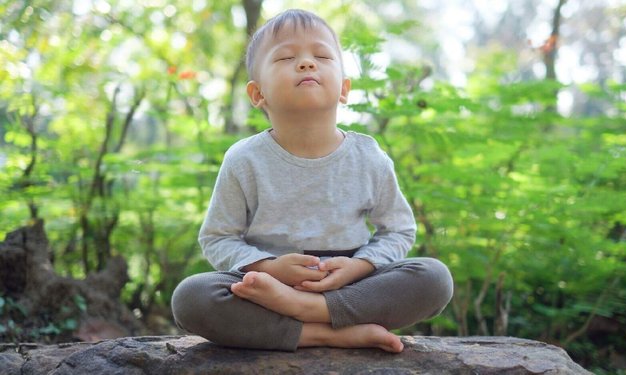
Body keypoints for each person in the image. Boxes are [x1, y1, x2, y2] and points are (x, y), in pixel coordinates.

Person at [171, 9, 453, 353]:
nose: (306, 64)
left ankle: (309, 313)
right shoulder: (244, 159)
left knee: (434, 278)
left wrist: (358, 266)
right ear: (257, 94)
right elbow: (217, 238)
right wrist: (269, 268)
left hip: (351, 286)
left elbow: (398, 230)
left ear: (344, 89)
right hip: (268, 288)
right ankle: (328, 333)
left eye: (321, 56)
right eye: (287, 57)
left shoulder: (368, 156)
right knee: (191, 297)